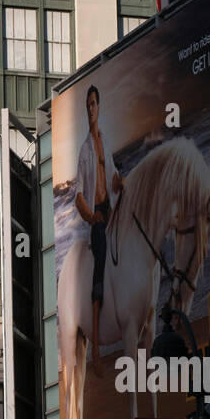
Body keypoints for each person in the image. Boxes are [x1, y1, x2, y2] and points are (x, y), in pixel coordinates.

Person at [74, 85, 123, 378]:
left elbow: (113, 176)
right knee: (101, 258)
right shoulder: (84, 150)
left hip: (112, 208)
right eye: (87, 105)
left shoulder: (106, 140)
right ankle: (95, 348)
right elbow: (78, 193)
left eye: (94, 104)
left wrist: (122, 183)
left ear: (100, 107)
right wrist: (90, 216)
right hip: (97, 217)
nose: (91, 109)